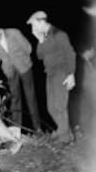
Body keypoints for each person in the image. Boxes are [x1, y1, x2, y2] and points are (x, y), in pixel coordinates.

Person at [26, 10, 76, 143]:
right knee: (51, 107)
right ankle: (63, 130)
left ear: (41, 22)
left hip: (61, 72)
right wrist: (40, 40)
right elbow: (39, 56)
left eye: (34, 25)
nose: (33, 29)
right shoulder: (45, 36)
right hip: (50, 74)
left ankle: (65, 137)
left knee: (60, 105)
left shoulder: (59, 34)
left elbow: (70, 53)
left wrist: (71, 74)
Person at [0, 23, 41, 133]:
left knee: (30, 96)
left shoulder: (14, 33)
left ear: (0, 30)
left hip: (24, 66)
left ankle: (38, 128)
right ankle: (16, 130)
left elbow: (28, 48)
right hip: (10, 72)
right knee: (15, 99)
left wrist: (19, 56)